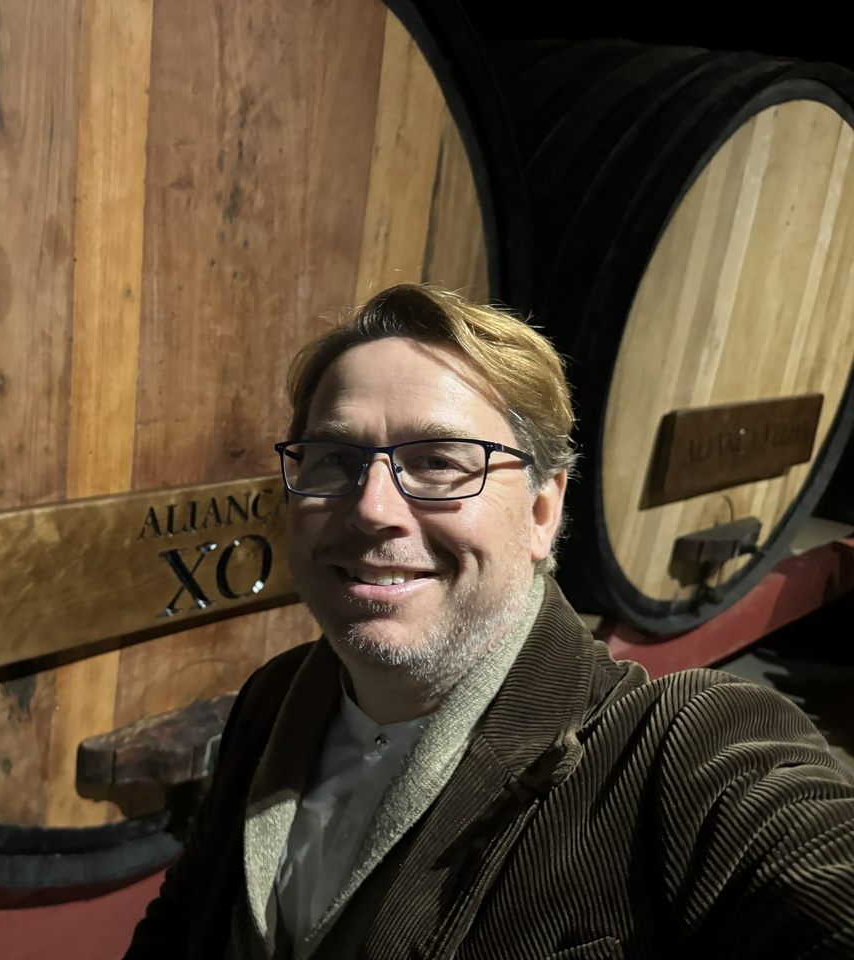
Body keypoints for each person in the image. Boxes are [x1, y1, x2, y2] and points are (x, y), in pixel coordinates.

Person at [123, 284, 854, 959]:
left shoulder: (675, 751)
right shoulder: (274, 699)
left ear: (542, 510)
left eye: (439, 462)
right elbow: (181, 925)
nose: (372, 508)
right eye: (335, 460)